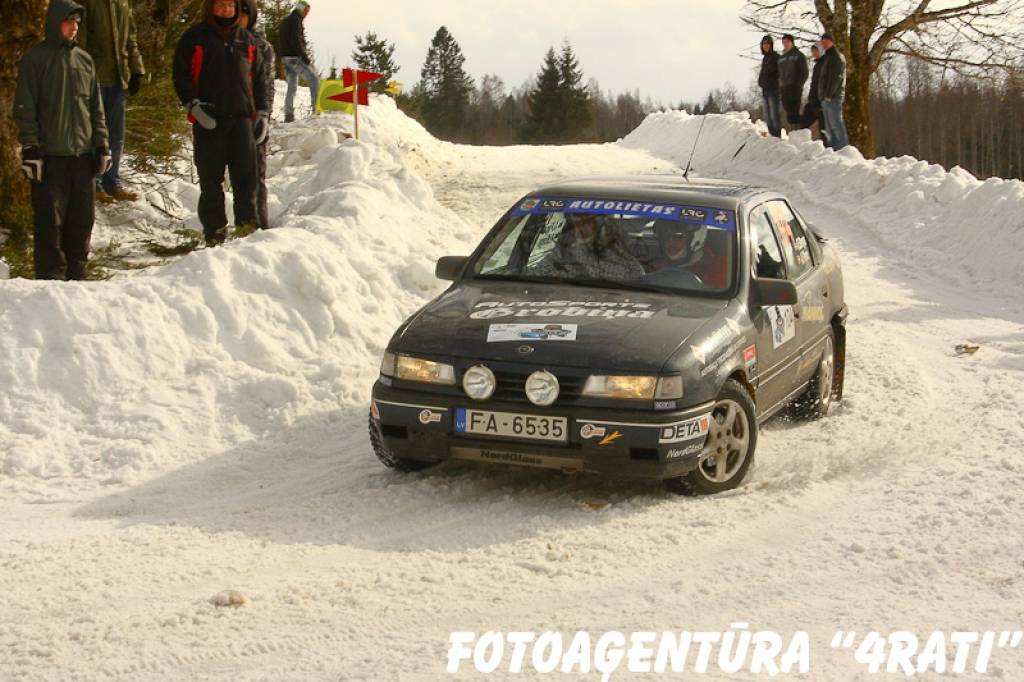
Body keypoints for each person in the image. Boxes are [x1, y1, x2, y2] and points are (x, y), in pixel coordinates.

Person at [14, 0, 110, 280]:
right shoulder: (36, 59)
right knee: (48, 220)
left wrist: (102, 144)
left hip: (82, 156)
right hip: (49, 156)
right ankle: (50, 278)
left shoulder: (85, 59)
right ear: (55, 23)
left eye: (77, 23)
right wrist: (30, 147)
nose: (75, 27)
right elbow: (25, 106)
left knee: (82, 220)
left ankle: (76, 274)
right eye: (69, 21)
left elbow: (96, 107)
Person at [173, 0, 267, 246]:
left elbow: (259, 80)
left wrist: (263, 114)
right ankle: (214, 234)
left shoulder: (247, 40)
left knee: (246, 182)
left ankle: (247, 231)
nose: (226, 10)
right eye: (220, 5)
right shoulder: (194, 37)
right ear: (211, 7)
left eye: (230, 6)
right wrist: (192, 104)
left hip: (242, 122)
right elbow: (181, 75)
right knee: (210, 183)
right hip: (209, 122)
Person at [77, 0, 145, 203]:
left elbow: (130, 37)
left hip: (118, 77)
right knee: (95, 133)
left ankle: (112, 180)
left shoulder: (122, 3)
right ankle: (94, 182)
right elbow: (79, 41)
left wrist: (136, 69)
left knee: (116, 134)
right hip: (94, 77)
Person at [240, 0, 275, 230]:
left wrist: (264, 116)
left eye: (243, 13)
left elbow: (268, 86)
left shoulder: (261, 45)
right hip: (228, 119)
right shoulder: (220, 41)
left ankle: (259, 227)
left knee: (255, 176)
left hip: (254, 118)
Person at [530, 214, 644, 281]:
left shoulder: (627, 266)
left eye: (588, 221)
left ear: (603, 225)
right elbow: (534, 276)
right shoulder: (560, 253)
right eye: (576, 220)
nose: (581, 227)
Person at [648, 223, 729, 290]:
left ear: (697, 238)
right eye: (665, 236)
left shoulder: (722, 267)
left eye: (678, 237)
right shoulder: (655, 266)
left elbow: (714, 301)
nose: (668, 242)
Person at [278, 1, 318, 123]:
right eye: (306, 11)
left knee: (292, 86)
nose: (306, 14)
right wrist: (306, 59)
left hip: (285, 58)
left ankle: (288, 114)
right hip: (294, 58)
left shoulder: (286, 21)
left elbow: (282, 40)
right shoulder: (295, 21)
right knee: (314, 79)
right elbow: (297, 41)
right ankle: (316, 110)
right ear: (300, 9)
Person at [818, 32, 850, 151]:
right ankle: (833, 150)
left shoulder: (836, 57)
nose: (824, 44)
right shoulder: (827, 57)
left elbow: (837, 77)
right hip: (825, 98)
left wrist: (828, 94)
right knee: (829, 128)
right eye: (822, 42)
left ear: (832, 42)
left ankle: (842, 149)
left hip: (833, 97)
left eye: (826, 41)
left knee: (836, 125)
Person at [777, 34, 808, 131]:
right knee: (788, 111)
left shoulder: (798, 55)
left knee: (794, 110)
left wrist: (798, 85)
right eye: (784, 42)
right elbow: (779, 73)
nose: (785, 44)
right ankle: (792, 130)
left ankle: (797, 130)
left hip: (794, 87)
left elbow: (804, 72)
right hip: (784, 88)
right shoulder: (781, 58)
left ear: (792, 42)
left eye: (787, 42)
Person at [799, 44, 825, 140]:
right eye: (813, 51)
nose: (814, 54)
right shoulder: (817, 65)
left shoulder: (825, 64)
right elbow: (814, 83)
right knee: (805, 119)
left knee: (823, 126)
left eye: (816, 51)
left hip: (821, 99)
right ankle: (803, 140)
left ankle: (827, 147)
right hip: (813, 99)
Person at [757, 35, 781, 138]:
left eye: (767, 44)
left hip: (774, 90)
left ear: (771, 45)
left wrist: (775, 83)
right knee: (767, 116)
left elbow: (780, 74)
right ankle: (772, 135)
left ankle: (777, 136)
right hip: (765, 90)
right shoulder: (765, 59)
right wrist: (760, 82)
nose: (765, 46)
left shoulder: (776, 57)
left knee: (774, 115)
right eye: (764, 44)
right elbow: (762, 74)